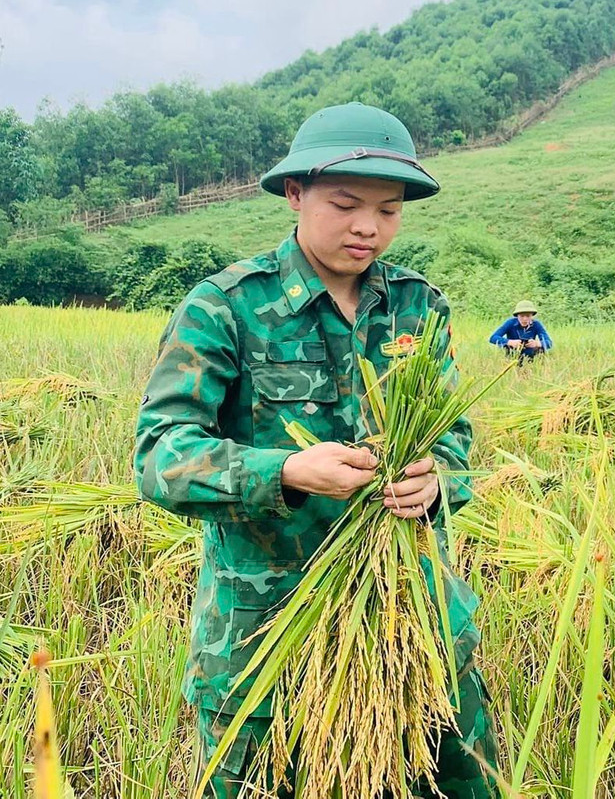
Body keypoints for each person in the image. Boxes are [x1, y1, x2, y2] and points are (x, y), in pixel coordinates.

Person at [133, 102, 498, 798]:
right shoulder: (224, 308)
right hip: (266, 639)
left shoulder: (420, 308)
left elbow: (455, 440)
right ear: (295, 194)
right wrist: (287, 471)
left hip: (413, 625)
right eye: (346, 203)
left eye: (389, 211)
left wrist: (437, 481)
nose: (369, 227)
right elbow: (160, 456)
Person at [489, 301, 552, 365]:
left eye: (528, 316)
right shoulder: (510, 323)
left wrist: (537, 343)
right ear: (517, 316)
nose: (525, 319)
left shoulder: (536, 324)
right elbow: (493, 338)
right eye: (522, 316)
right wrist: (510, 342)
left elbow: (549, 343)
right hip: (513, 355)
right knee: (507, 347)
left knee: (540, 348)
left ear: (532, 315)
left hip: (530, 356)